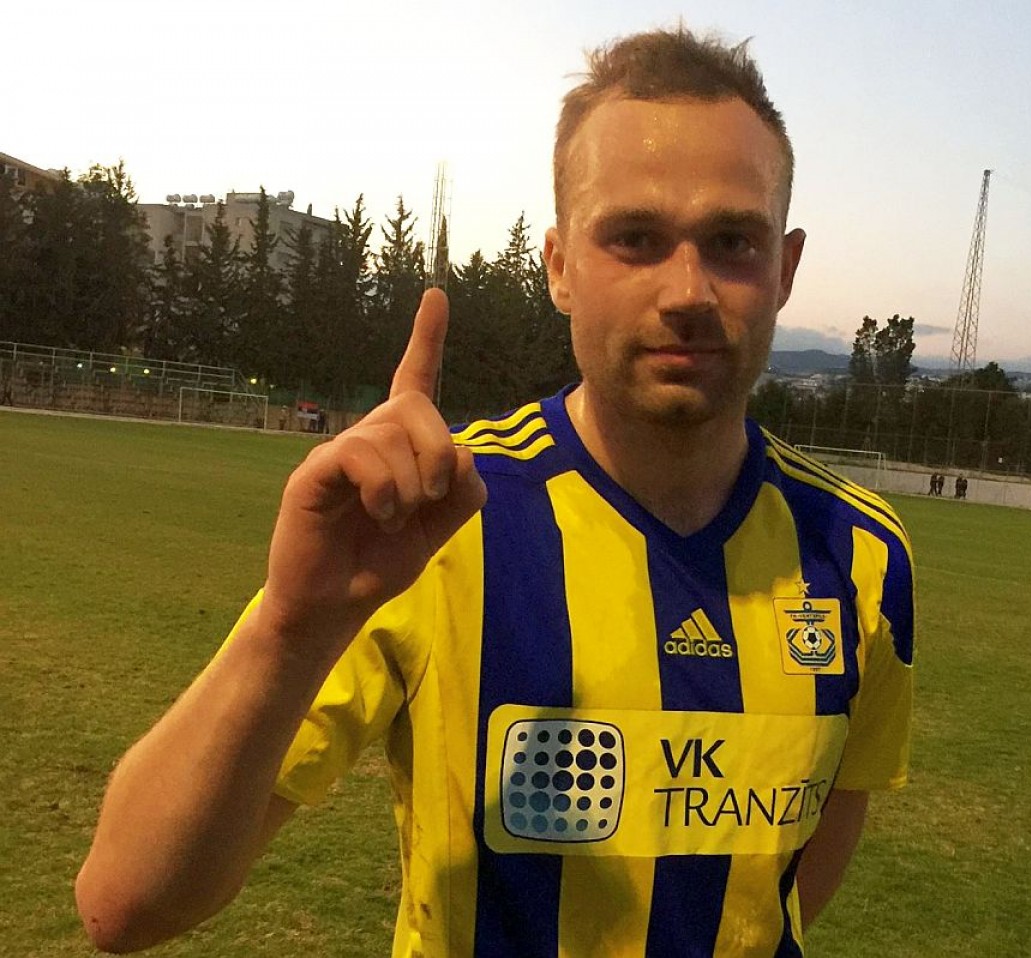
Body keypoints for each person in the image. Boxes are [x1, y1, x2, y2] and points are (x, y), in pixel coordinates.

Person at [75, 28, 914, 957]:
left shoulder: (863, 557)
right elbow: (126, 905)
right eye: (635, 238)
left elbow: (797, 875)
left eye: (731, 242)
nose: (687, 291)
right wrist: (290, 627)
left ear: (784, 269)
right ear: (559, 265)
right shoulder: (441, 518)